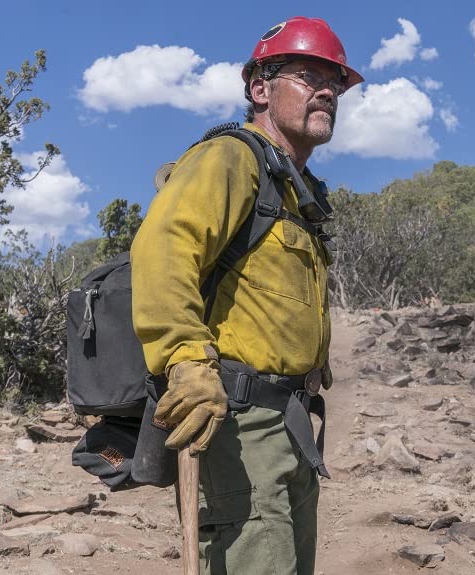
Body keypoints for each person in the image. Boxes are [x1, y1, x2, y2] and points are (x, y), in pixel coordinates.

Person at [130, 16, 362, 575]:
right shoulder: (230, 159)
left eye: (335, 83)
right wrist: (184, 361)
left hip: (290, 423)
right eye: (309, 76)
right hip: (237, 422)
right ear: (261, 89)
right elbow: (163, 251)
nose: (327, 91)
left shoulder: (296, 192)